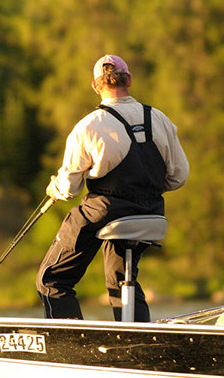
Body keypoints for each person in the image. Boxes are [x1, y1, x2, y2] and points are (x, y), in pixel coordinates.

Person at [36, 54, 189, 321]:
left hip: (105, 208)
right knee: (123, 282)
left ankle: (71, 348)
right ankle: (138, 341)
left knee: (52, 280)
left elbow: (70, 187)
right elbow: (178, 176)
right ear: (129, 80)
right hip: (151, 210)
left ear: (96, 86)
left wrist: (54, 188)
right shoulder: (160, 119)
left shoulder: (89, 126)